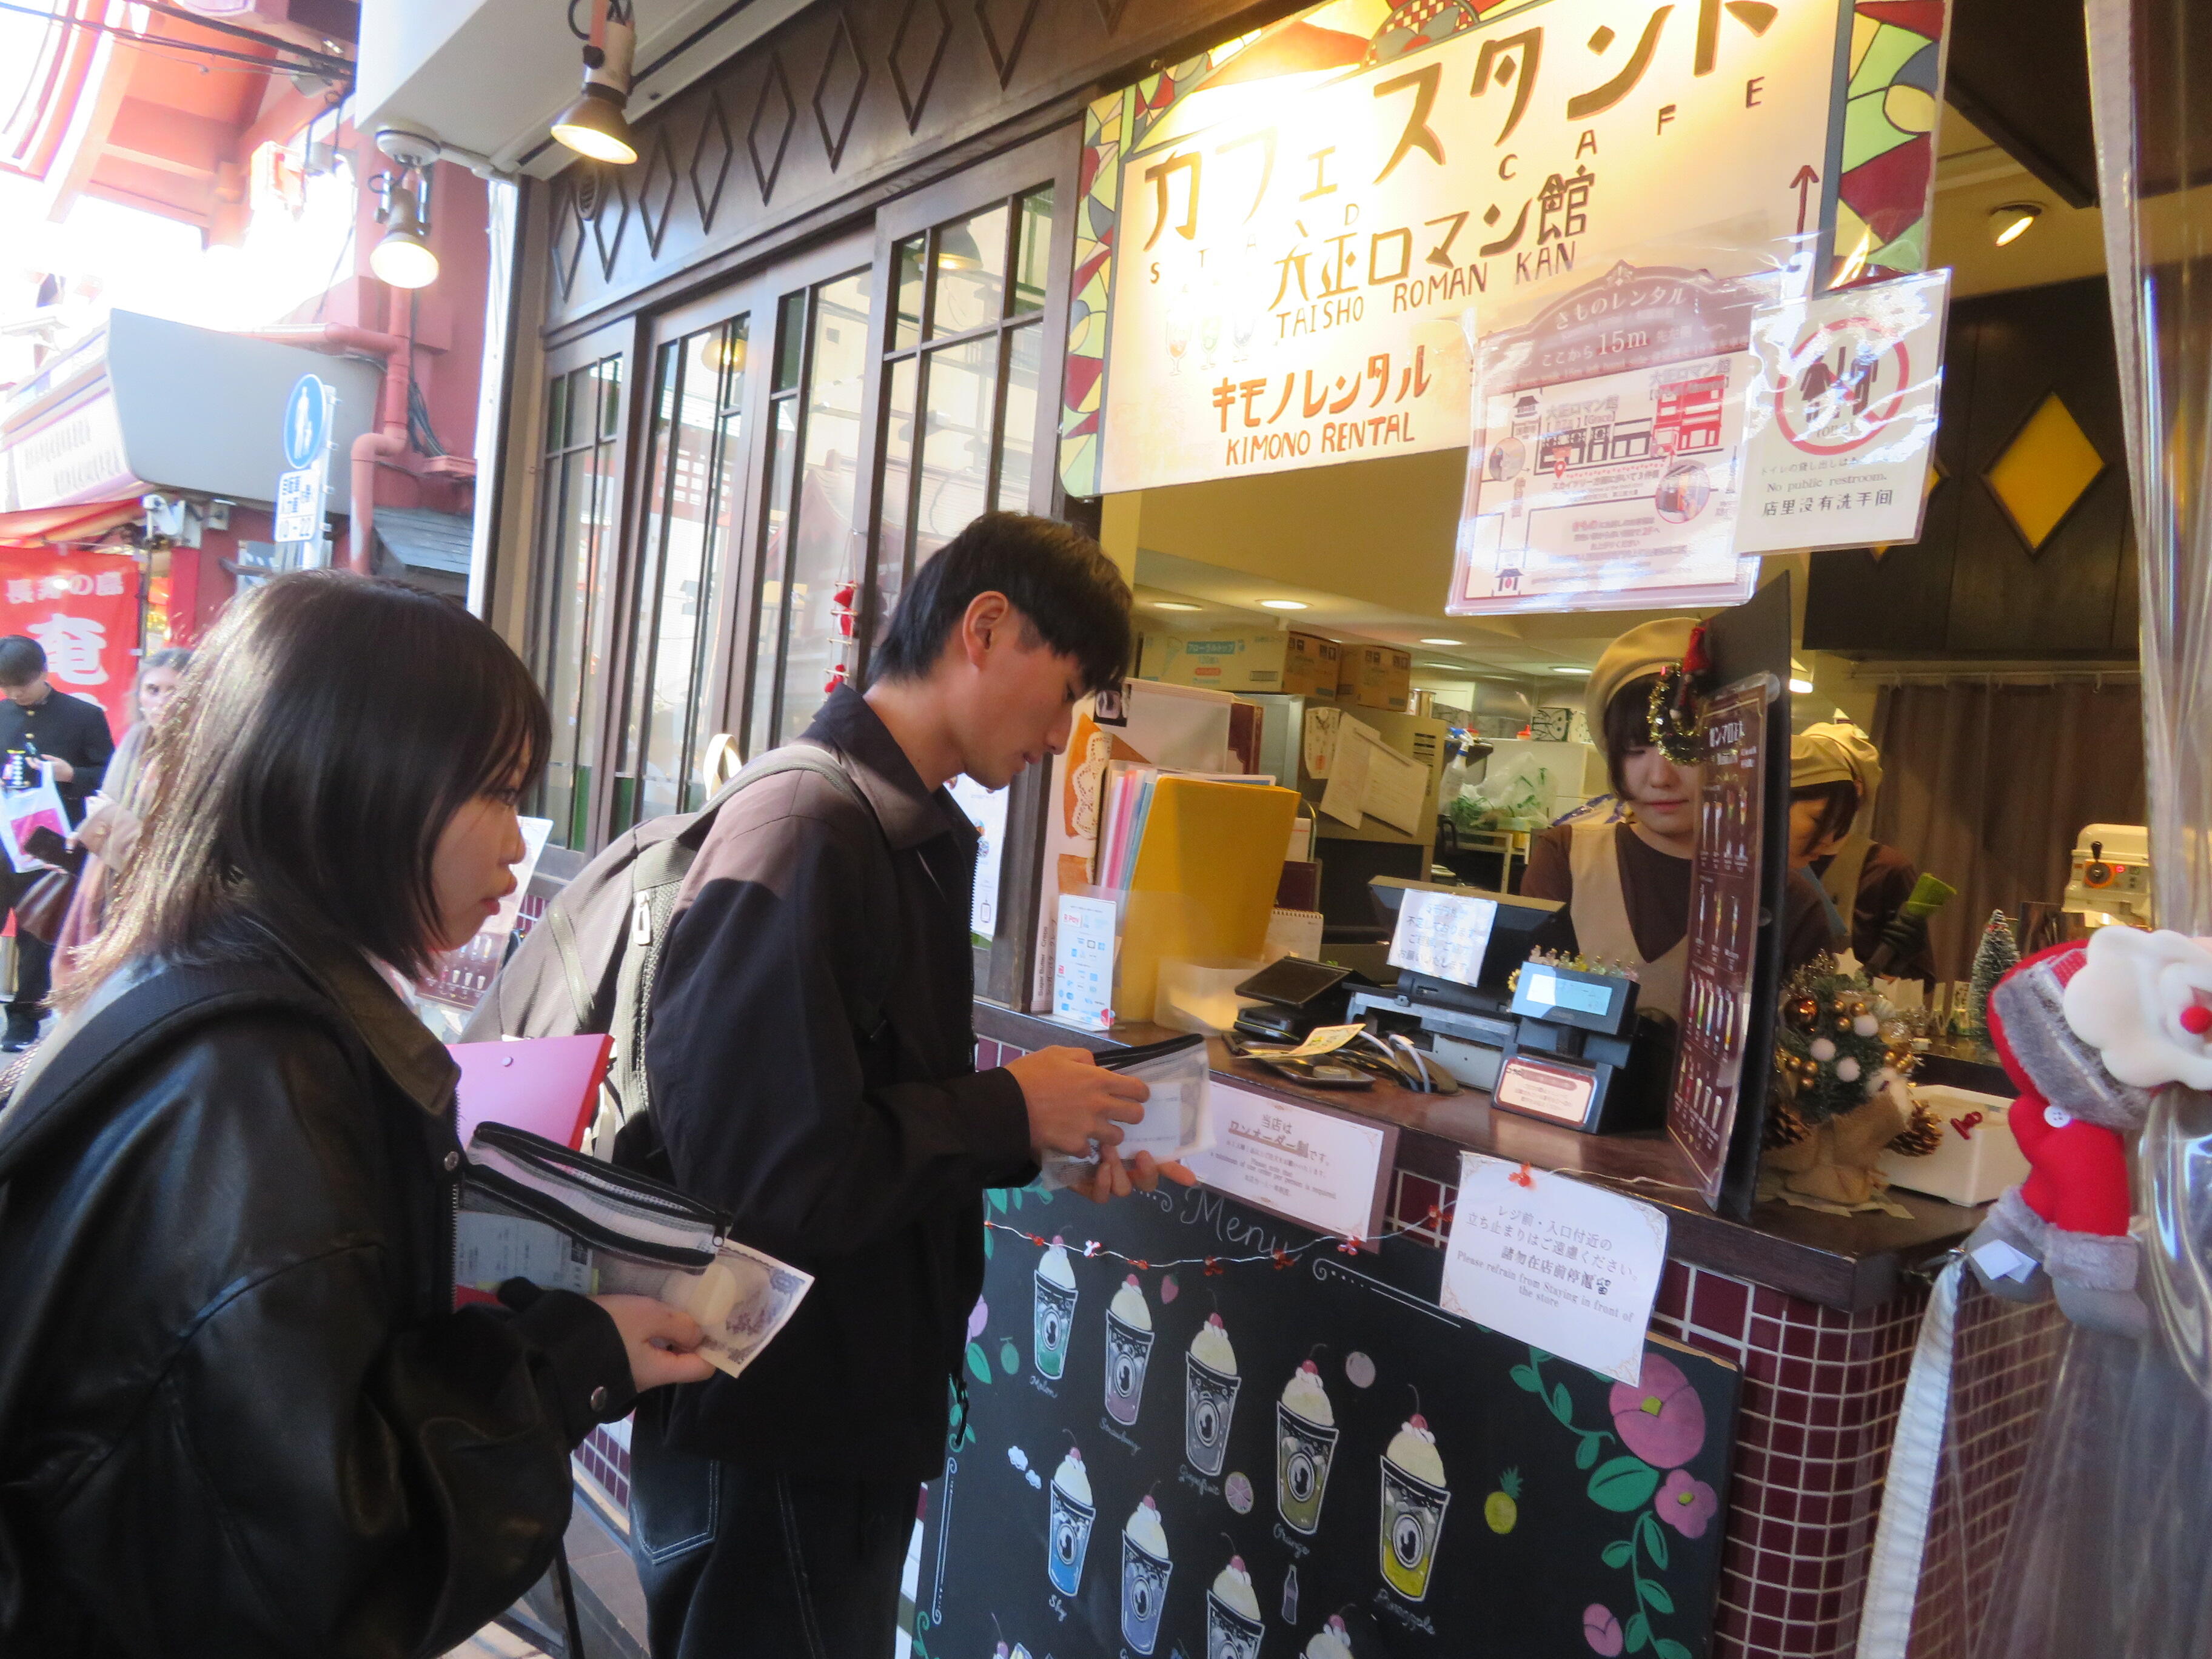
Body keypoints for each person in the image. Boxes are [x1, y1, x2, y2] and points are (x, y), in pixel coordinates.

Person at [0, 573, 714, 1656]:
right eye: (492, 791)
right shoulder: (265, 1080)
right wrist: (571, 1360)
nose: (517, 843)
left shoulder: (201, 977)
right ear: (356, 781)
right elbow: (331, 1555)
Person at [637, 512, 1183, 1659]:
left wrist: (1036, 1138)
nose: (1062, 736)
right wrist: (1006, 1110)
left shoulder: (902, 836)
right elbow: (771, 1177)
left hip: (839, 1411)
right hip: (774, 1423)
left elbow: (855, 1113)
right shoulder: (807, 830)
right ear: (984, 629)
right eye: (1065, 691)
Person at [1523, 618, 1829, 1016]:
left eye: (1685, 749)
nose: (1660, 778)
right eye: (1635, 751)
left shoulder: (1786, 899)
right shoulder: (1567, 859)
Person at [0, 633, 116, 1049]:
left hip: (52, 843)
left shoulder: (84, 716)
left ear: (44, 672)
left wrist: (71, 774)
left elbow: (110, 775)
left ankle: (25, 1019)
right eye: (7, 687)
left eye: (22, 685)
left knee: (37, 931)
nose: (15, 694)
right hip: (3, 842)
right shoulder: (2, 714)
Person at [53, 647, 192, 961]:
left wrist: (107, 818)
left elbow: (183, 853)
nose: (162, 701)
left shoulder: (204, 756)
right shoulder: (136, 740)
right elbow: (108, 808)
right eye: (153, 690)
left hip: (164, 909)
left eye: (175, 691)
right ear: (139, 695)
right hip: (111, 892)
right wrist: (83, 837)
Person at [1788, 719, 1936, 980]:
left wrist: (1891, 967)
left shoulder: (1885, 868)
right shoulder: (1762, 869)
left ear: (1855, 791)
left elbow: (1919, 980)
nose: (1824, 839)